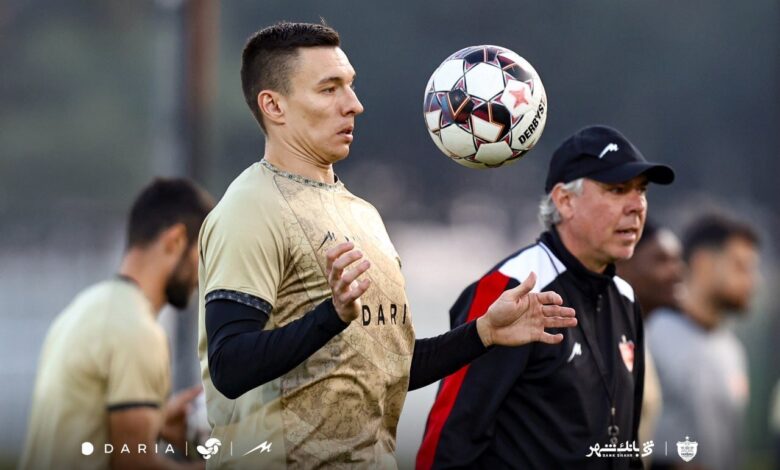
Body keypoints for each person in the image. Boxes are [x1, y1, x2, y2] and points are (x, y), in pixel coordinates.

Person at [197, 21, 577, 469]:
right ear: (274, 105)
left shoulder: (362, 214)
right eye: (329, 89)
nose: (353, 104)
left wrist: (482, 332)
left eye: (350, 85)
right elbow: (230, 366)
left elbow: (387, 368)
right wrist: (330, 316)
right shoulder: (250, 209)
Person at [417, 125, 675, 469]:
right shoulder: (512, 287)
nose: (637, 206)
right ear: (565, 201)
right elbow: (447, 441)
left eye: (641, 190)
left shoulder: (625, 297)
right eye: (617, 189)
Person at [20, 178, 214, 470]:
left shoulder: (81, 310)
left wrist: (158, 420)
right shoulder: (139, 331)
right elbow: (133, 462)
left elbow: (81, 426)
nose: (206, 272)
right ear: (175, 240)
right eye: (204, 252)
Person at [646, 214, 760, 470]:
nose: (753, 281)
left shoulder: (733, 351)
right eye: (741, 267)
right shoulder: (650, 335)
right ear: (703, 264)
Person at [616, 222, 684, 456]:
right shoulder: (607, 341)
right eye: (662, 260)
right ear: (622, 264)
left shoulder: (638, 337)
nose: (678, 272)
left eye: (678, 260)